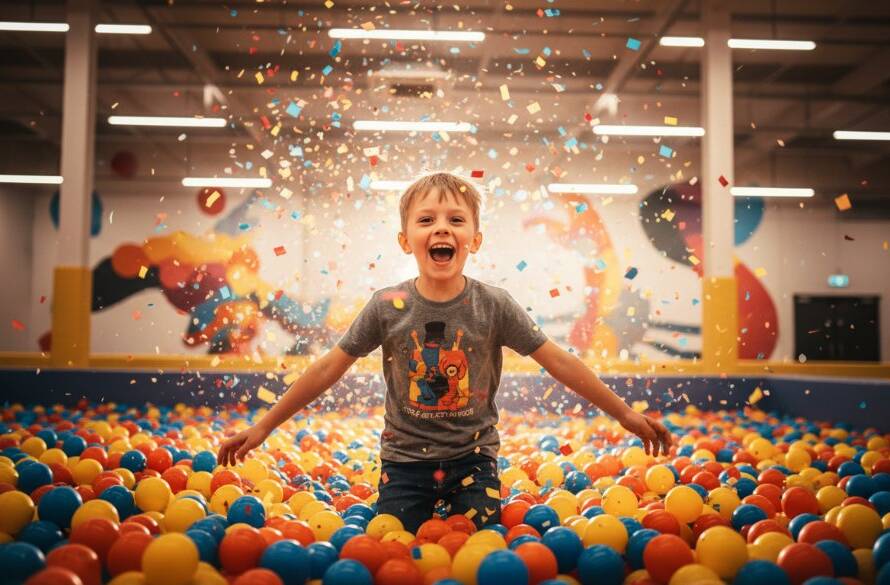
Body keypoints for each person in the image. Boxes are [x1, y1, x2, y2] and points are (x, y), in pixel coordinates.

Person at [217, 171, 672, 533]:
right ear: (405, 240)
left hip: (473, 462)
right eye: (426, 220)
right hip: (404, 464)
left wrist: (624, 414)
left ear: (475, 238)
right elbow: (326, 369)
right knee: (393, 544)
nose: (441, 228)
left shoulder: (493, 305)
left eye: (456, 220)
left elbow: (559, 361)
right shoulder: (386, 306)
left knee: (478, 542)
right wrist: (263, 426)